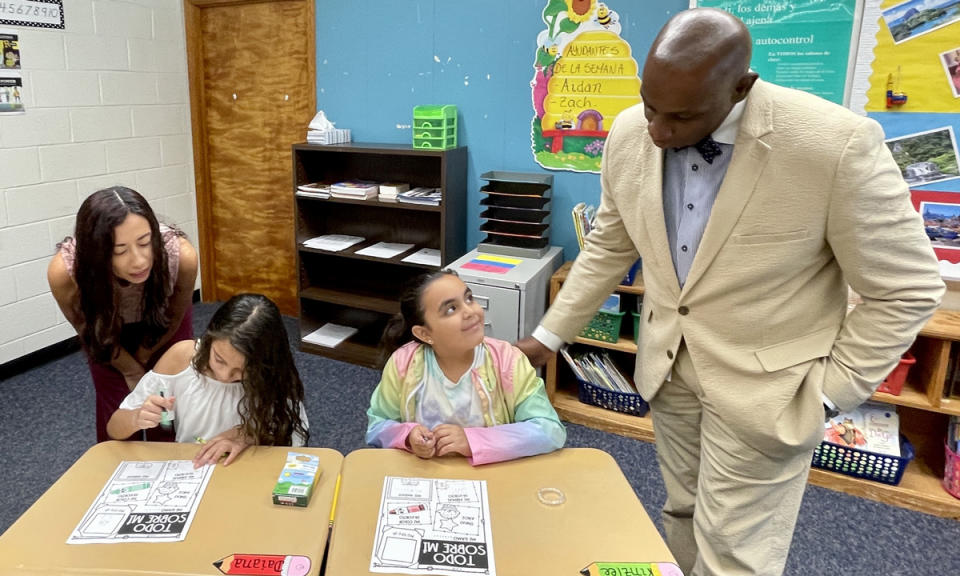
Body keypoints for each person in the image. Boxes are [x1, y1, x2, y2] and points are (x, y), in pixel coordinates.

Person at [516, 8, 944, 576]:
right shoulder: (627, 133)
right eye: (650, 105)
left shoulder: (834, 144)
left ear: (742, 87)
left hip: (771, 390)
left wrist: (826, 393)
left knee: (737, 552)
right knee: (684, 514)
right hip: (668, 371)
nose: (658, 131)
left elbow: (908, 288)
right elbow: (609, 246)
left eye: (682, 116)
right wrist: (547, 338)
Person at [366, 270, 566, 465]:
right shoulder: (403, 363)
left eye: (469, 298)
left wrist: (472, 441)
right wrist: (407, 436)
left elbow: (549, 430)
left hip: (491, 472)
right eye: (451, 309)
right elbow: (377, 426)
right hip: (425, 474)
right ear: (425, 334)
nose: (470, 311)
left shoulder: (507, 361)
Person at [48, 187, 198, 442]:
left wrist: (146, 354)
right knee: (118, 414)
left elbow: (175, 312)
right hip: (105, 332)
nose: (139, 260)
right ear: (96, 252)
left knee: (169, 404)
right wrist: (129, 368)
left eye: (145, 242)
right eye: (119, 251)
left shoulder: (180, 255)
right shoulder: (65, 272)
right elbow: (87, 328)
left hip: (163, 323)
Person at [106, 293, 310, 467]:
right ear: (210, 339)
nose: (224, 375)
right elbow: (114, 428)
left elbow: (293, 442)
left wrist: (248, 435)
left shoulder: (274, 376)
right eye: (219, 360)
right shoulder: (180, 360)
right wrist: (136, 418)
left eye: (241, 371)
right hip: (191, 469)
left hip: (247, 470)